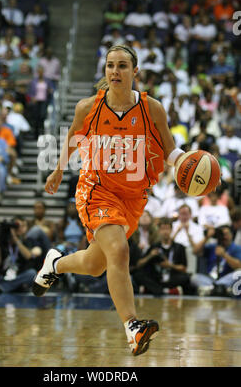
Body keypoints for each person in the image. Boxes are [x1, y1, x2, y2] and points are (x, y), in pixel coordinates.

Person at [31, 44, 195, 356]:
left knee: (96, 265)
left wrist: (190, 164)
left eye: (122, 66)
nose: (115, 71)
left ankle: (55, 263)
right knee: (119, 250)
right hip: (96, 189)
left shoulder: (152, 108)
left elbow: (171, 152)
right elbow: (73, 139)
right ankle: (133, 326)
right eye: (110, 66)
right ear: (105, 71)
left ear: (136, 72)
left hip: (133, 197)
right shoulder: (88, 107)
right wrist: (57, 170)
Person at [0, 217, 39, 293]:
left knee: (32, 273)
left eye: (23, 226)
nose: (20, 229)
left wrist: (15, 239)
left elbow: (28, 256)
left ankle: (2, 287)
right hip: (2, 276)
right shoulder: (3, 241)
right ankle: (14, 287)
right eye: (17, 226)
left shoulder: (27, 240)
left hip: (19, 276)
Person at [190, 225, 241, 297]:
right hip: (210, 280)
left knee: (239, 273)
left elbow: (239, 266)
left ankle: (211, 289)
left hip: (226, 279)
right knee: (194, 277)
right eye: (221, 234)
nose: (224, 237)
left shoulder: (236, 248)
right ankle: (219, 289)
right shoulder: (213, 246)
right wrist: (207, 237)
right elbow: (195, 251)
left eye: (226, 234)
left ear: (231, 235)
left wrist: (224, 255)